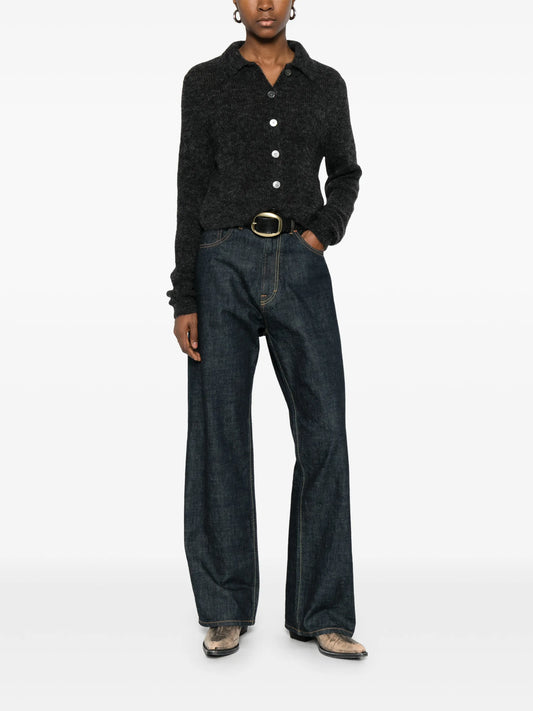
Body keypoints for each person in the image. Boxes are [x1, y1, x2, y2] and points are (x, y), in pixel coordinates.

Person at [166, 0, 368, 660]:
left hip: (300, 265)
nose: (263, 3)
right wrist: (185, 294)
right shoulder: (205, 81)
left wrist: (319, 235)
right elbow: (190, 184)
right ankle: (224, 607)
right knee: (219, 434)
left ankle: (322, 612)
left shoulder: (324, 83)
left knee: (324, 432)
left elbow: (345, 172)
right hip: (220, 261)